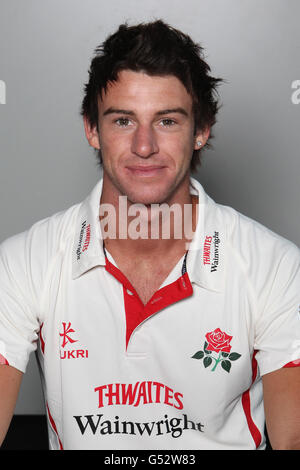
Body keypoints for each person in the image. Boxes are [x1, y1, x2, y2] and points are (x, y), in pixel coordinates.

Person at [0, 20, 299, 451]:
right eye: (123, 120)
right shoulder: (25, 260)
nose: (144, 146)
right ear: (91, 129)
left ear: (201, 131)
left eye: (167, 121)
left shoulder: (275, 265)